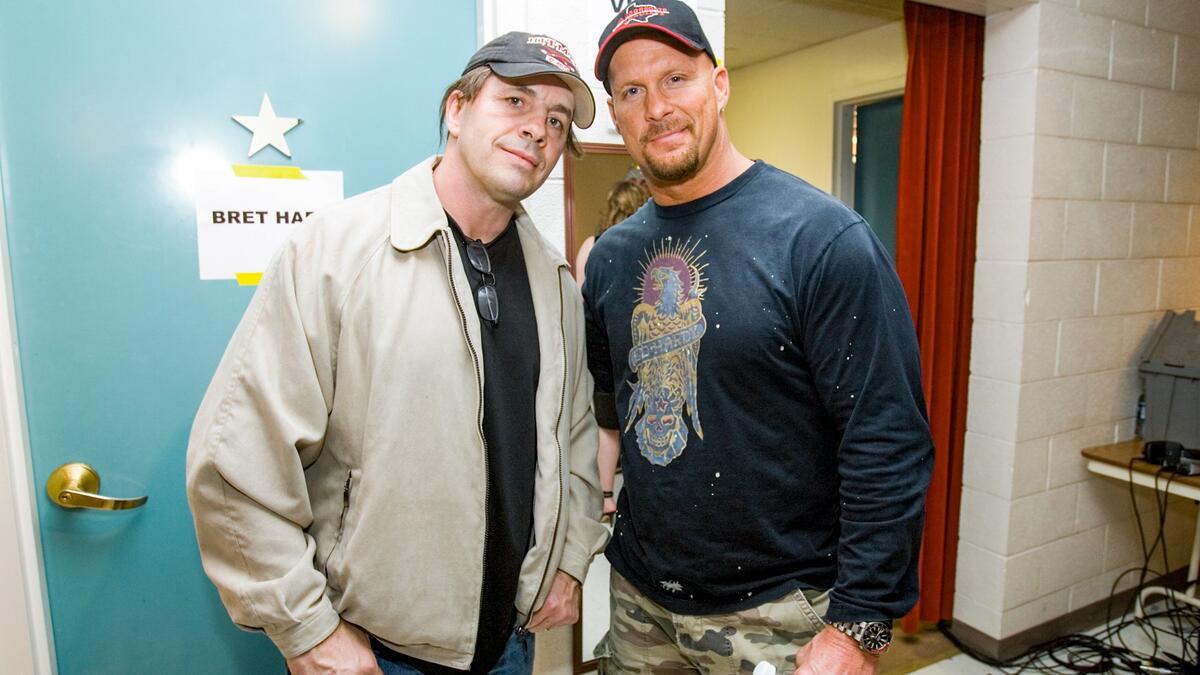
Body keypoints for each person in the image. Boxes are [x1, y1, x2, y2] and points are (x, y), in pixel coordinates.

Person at [186, 31, 609, 675]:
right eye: (515, 101)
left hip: (511, 644)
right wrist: (306, 631)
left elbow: (574, 439)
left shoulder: (553, 282)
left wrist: (570, 559)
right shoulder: (335, 253)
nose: (537, 130)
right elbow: (235, 464)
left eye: (557, 119)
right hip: (376, 652)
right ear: (457, 109)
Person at [581, 2, 935, 674]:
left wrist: (857, 628)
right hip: (639, 604)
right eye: (632, 91)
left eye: (676, 79)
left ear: (718, 84)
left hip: (779, 614)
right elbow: (609, 412)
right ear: (615, 113)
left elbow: (887, 441)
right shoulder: (612, 258)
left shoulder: (821, 239)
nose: (657, 107)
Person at [574, 173, 651, 519]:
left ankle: (604, 495)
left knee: (606, 425)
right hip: (631, 343)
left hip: (596, 341)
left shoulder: (591, 246)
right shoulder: (642, 247)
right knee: (632, 420)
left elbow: (582, 297)